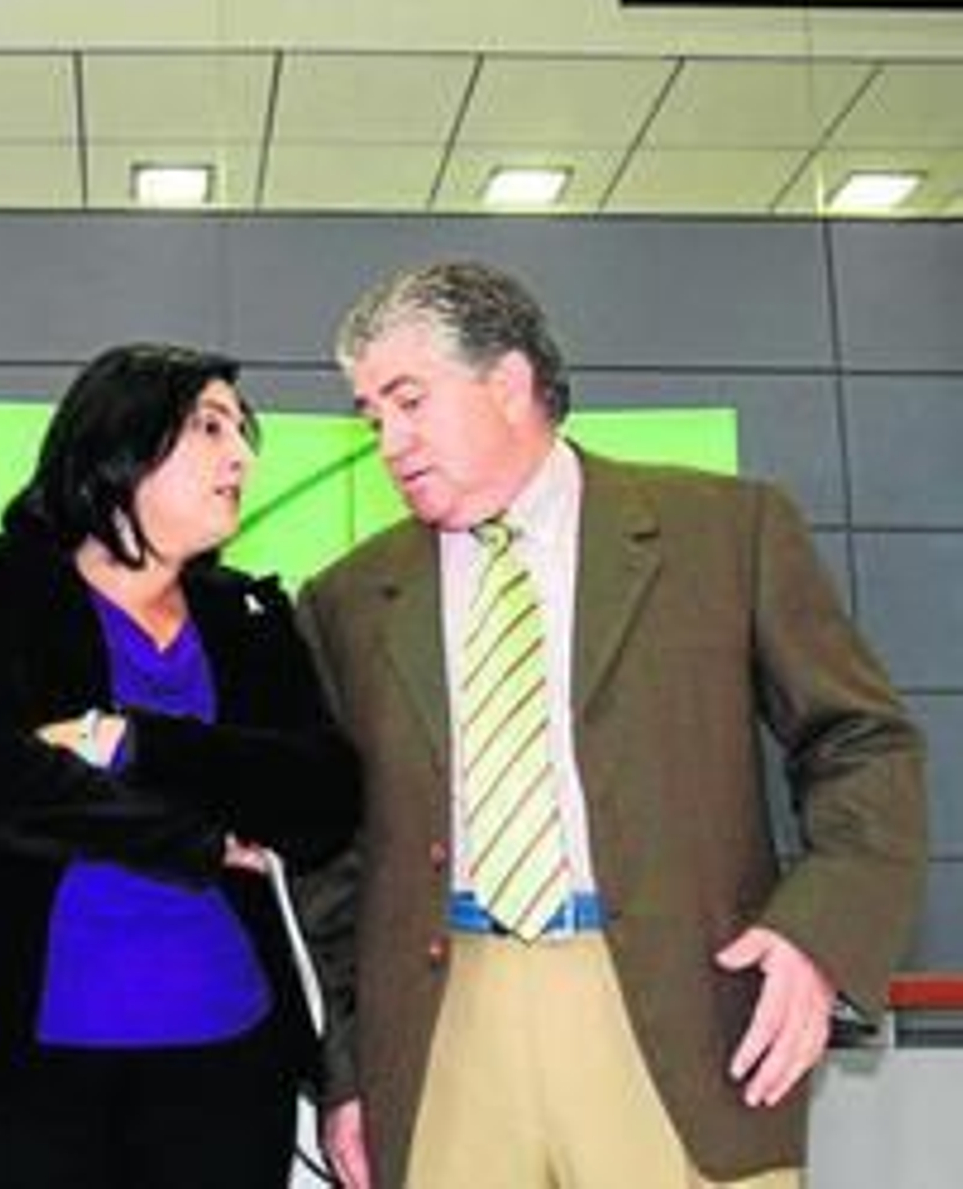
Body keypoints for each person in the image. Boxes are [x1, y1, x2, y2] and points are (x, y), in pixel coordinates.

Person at [294, 260, 928, 1189]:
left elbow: (861, 742)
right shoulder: (347, 600)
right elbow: (332, 864)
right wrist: (345, 1076)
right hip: (438, 1031)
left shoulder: (725, 532)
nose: (389, 439)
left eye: (408, 400)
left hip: (682, 1008)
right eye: (372, 416)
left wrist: (819, 934)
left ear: (507, 384)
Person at [0, 342, 360, 1189]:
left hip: (226, 1061)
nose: (240, 454)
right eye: (210, 427)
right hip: (0, 1060)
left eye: (242, 433)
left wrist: (127, 743)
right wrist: (203, 843)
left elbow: (320, 795)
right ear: (118, 438)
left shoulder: (246, 613)